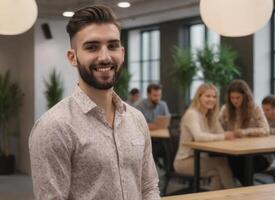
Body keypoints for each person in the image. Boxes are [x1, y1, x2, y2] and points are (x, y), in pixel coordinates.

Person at [29, 5, 160, 200]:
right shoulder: (54, 127)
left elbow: (149, 187)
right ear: (73, 57)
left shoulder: (136, 119)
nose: (105, 57)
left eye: (113, 46)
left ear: (122, 53)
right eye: (92, 47)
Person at [174, 83, 235, 190]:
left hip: (201, 159)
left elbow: (220, 133)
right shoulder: (192, 114)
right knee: (221, 163)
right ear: (199, 97)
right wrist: (224, 136)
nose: (211, 99)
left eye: (214, 96)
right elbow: (199, 137)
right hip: (184, 161)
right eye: (207, 96)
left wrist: (224, 134)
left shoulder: (209, 115)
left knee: (218, 172)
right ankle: (236, 196)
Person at [219, 79, 271, 185]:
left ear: (245, 96)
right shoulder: (225, 109)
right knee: (230, 161)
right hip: (235, 152)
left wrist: (245, 132)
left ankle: (248, 190)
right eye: (232, 98)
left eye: (238, 98)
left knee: (237, 163)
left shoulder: (255, 108)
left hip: (258, 154)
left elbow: (266, 130)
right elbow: (217, 127)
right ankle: (249, 191)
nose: (235, 101)